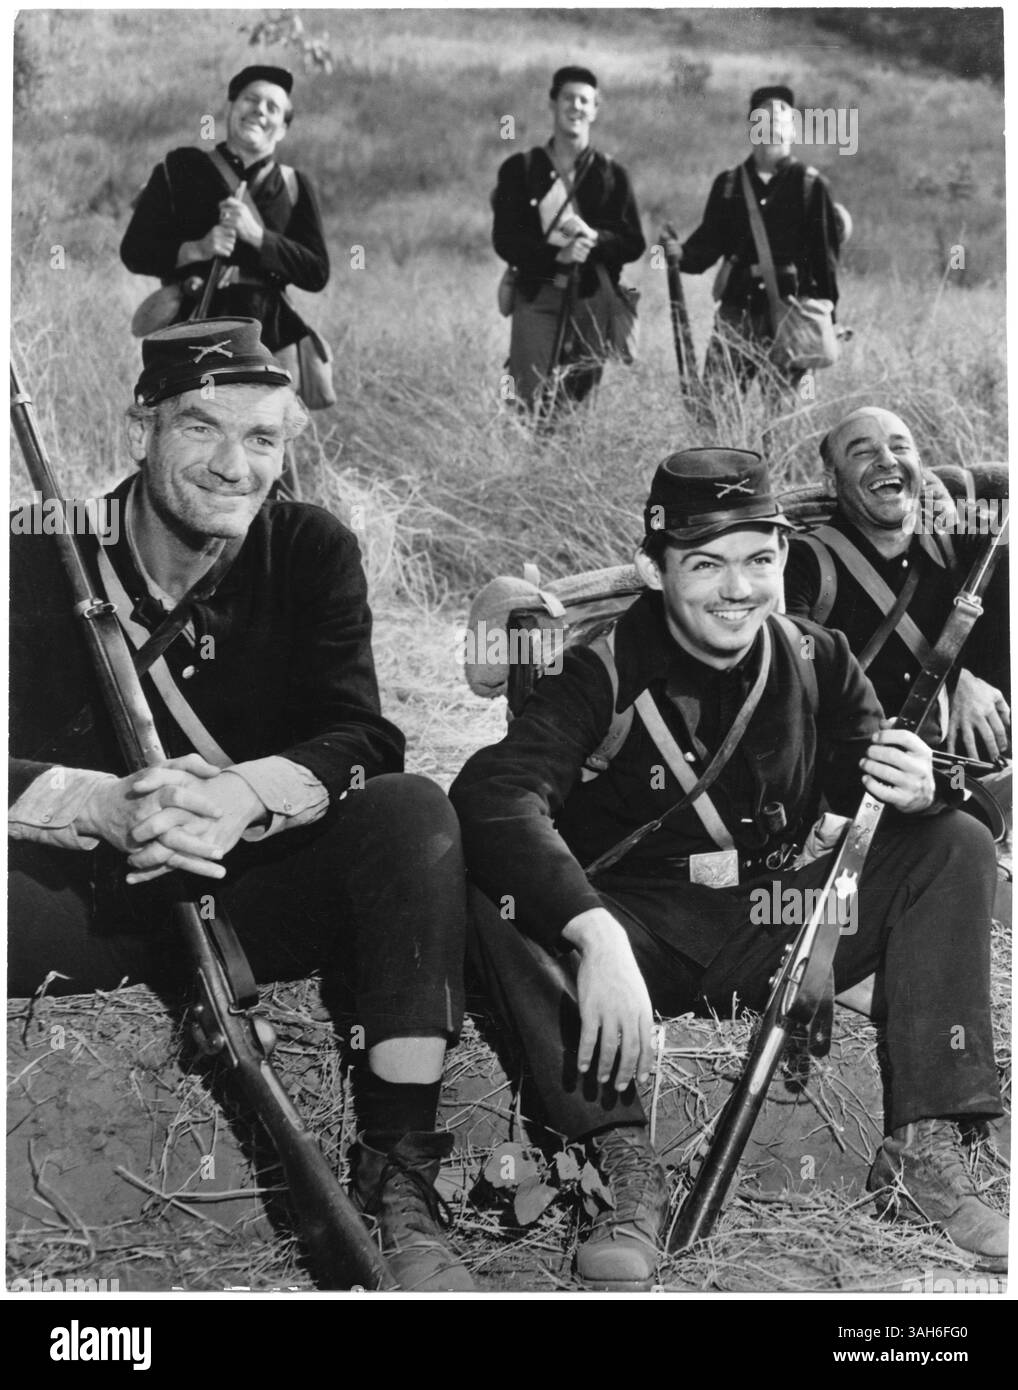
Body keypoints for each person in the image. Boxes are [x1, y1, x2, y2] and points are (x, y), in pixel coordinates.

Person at [450, 447, 1007, 1289]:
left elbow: (876, 795)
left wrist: (928, 785)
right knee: (489, 890)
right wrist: (592, 933)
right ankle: (619, 1168)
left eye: (759, 560)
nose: (737, 589)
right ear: (654, 569)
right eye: (706, 564)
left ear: (783, 558)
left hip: (771, 925)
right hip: (634, 936)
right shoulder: (596, 670)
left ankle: (922, 1156)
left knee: (952, 842)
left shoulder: (816, 658)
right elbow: (493, 795)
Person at [8, 319, 472, 1293]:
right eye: (201, 427)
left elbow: (362, 740)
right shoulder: (34, 555)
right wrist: (94, 803)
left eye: (262, 439)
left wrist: (240, 796)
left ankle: (399, 1176)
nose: (234, 466)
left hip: (252, 892)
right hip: (85, 901)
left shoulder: (310, 549)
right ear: (141, 425)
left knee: (411, 814)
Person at [785, 406, 1010, 763]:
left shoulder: (962, 540)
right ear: (830, 481)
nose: (887, 460)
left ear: (919, 466)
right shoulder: (801, 562)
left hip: (987, 770)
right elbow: (798, 683)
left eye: (900, 447)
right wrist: (951, 685)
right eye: (863, 451)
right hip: (869, 773)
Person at [121, 65, 328, 357]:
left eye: (272, 107)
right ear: (230, 108)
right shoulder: (180, 169)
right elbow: (134, 251)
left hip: (270, 339)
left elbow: (317, 273)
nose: (259, 110)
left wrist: (258, 237)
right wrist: (196, 249)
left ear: (282, 128)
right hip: (191, 329)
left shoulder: (295, 185)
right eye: (250, 99)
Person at [663, 86, 840, 394]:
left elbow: (825, 260)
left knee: (785, 410)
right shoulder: (728, 184)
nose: (772, 126)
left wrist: (826, 319)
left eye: (781, 119)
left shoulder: (810, 185)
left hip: (792, 314)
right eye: (763, 119)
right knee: (717, 403)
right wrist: (679, 254)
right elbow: (707, 244)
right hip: (736, 312)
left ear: (793, 129)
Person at [491, 65, 645, 416]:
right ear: (553, 103)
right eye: (568, 98)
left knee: (577, 408)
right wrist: (554, 257)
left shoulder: (612, 174)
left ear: (595, 110)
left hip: (592, 298)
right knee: (526, 401)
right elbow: (505, 240)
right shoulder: (520, 169)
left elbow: (633, 242)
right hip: (537, 293)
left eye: (584, 101)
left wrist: (596, 239)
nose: (575, 107)